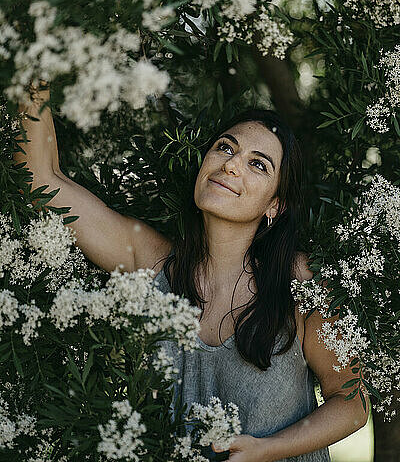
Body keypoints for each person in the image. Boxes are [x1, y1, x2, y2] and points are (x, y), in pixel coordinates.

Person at [14, 81, 369, 462]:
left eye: (257, 164)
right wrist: (35, 65)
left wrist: (267, 450)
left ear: (275, 206)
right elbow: (41, 181)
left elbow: (351, 402)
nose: (231, 164)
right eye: (225, 148)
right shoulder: (152, 262)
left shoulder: (298, 282)